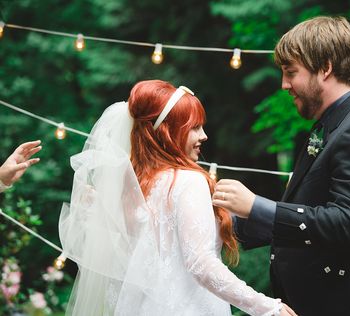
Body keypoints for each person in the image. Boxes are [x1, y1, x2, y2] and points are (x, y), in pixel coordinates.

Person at [58, 80, 296, 316]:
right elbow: (201, 264)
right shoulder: (188, 181)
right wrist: (267, 308)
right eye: (194, 127)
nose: (203, 135)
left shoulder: (136, 185)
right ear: (167, 131)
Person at [213, 16, 350, 316]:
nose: (284, 84)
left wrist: (256, 206)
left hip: (344, 306)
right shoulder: (329, 126)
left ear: (325, 68)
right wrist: (226, 227)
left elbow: (347, 222)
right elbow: (308, 210)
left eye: (290, 73)